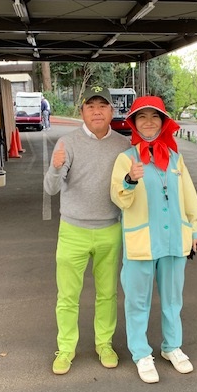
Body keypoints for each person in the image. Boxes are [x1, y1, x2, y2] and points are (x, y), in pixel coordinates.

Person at [111, 96, 197, 384]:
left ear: (163, 122)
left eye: (154, 116)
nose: (148, 122)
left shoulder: (175, 158)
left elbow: (188, 196)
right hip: (141, 242)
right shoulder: (126, 159)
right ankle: (141, 353)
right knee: (138, 301)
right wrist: (130, 179)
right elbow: (120, 199)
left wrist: (194, 230)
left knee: (173, 299)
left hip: (174, 239)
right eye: (142, 117)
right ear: (134, 124)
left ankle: (172, 346)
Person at [44, 86, 130, 375]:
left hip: (110, 230)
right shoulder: (67, 143)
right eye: (90, 106)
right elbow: (51, 188)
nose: (97, 111)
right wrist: (56, 168)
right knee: (68, 296)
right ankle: (66, 348)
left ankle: (104, 344)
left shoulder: (123, 145)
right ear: (81, 111)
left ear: (112, 111)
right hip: (73, 230)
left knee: (107, 294)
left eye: (102, 106)